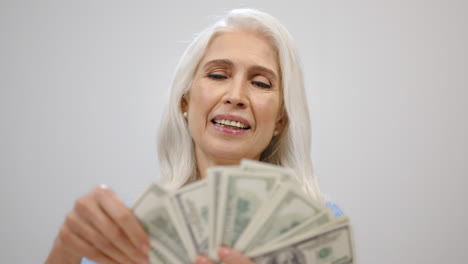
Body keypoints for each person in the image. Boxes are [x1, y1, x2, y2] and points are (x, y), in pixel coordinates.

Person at [45, 8, 323, 264]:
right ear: (185, 103)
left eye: (260, 83)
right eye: (217, 75)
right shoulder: (127, 231)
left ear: (280, 119)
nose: (236, 96)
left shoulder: (316, 227)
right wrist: (66, 249)